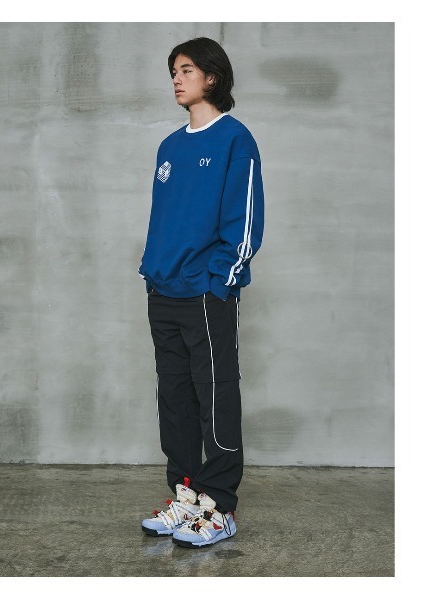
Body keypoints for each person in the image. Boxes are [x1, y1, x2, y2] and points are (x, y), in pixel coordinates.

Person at [137, 37, 264, 548]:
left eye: (186, 69)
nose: (176, 78)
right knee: (175, 398)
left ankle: (219, 505)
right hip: (163, 289)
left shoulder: (235, 139)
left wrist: (222, 279)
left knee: (216, 396)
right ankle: (186, 494)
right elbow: (164, 219)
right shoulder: (169, 147)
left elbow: (245, 218)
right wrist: (153, 270)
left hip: (207, 292)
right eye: (173, 70)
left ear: (212, 77)